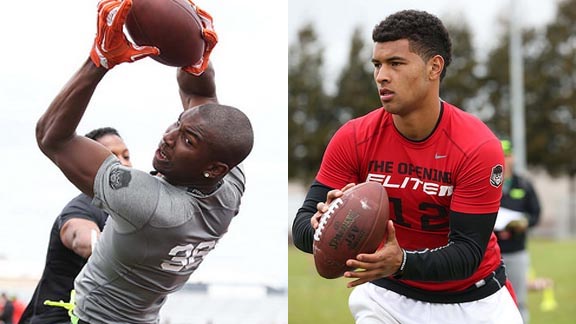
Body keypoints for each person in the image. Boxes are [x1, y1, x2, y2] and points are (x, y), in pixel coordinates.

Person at [291, 10, 523, 324]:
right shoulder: (354, 137)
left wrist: (401, 261)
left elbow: (468, 253)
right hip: (389, 297)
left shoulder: (477, 146)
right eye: (377, 64)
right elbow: (302, 226)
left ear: (434, 67)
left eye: (396, 64)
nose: (381, 76)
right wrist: (321, 226)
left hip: (474, 300)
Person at [34, 0, 254, 323]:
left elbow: (51, 137)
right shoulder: (230, 182)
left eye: (187, 140)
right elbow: (202, 100)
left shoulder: (150, 204)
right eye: (178, 123)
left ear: (213, 168)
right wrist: (198, 56)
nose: (168, 136)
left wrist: (99, 60)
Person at [19, 127, 132, 324]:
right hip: (57, 318)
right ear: (88, 165)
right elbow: (81, 236)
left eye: (126, 156)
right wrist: (95, 245)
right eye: (112, 157)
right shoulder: (82, 207)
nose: (122, 163)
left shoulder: (131, 213)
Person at [495, 139, 541, 323]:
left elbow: (535, 214)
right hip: (488, 253)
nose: (505, 160)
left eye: (507, 155)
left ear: (513, 157)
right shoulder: (485, 181)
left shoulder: (524, 185)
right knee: (489, 301)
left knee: (519, 301)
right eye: (501, 155)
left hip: (516, 252)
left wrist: (522, 224)